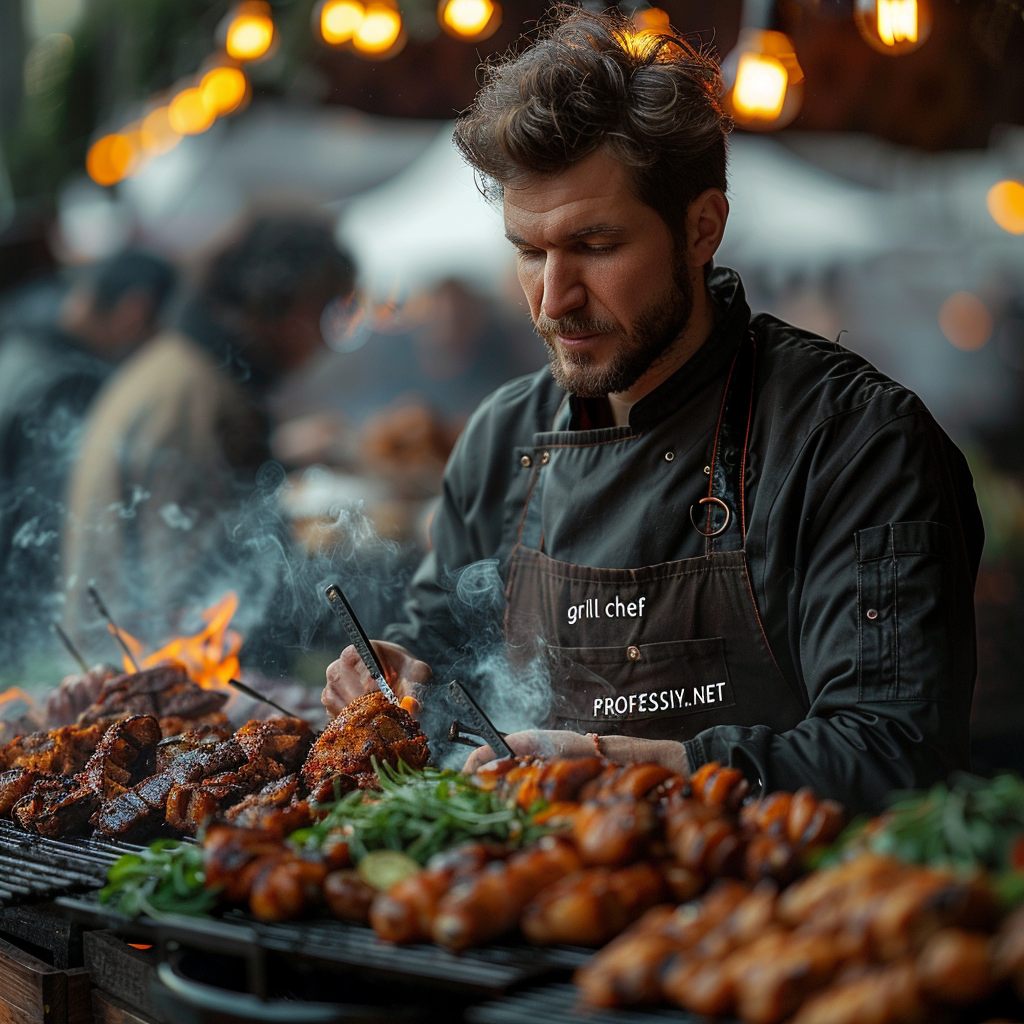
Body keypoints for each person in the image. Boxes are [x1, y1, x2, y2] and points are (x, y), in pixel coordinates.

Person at [320, 8, 984, 812]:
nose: (553, 301)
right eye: (529, 251)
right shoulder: (502, 438)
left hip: (762, 919)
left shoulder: (853, 443)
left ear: (702, 228)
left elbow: (892, 754)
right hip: (521, 906)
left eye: (595, 247)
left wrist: (622, 763)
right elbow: (447, 657)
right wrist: (405, 679)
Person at [61, 217, 355, 654]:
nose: (327, 342)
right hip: (147, 680)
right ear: (284, 306)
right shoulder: (197, 396)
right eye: (328, 313)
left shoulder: (184, 370)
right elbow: (196, 591)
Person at [0, 250, 175, 663]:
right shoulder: (67, 379)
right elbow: (61, 516)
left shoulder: (22, 342)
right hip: (24, 616)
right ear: (135, 311)